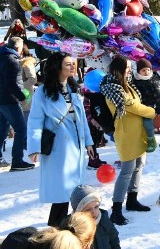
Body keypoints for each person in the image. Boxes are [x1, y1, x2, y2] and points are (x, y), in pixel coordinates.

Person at [26, 52, 95, 226]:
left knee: (73, 193)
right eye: (68, 64)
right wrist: (34, 147)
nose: (73, 66)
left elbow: (81, 120)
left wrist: (88, 142)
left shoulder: (73, 88)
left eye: (73, 63)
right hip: (59, 148)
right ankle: (55, 231)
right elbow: (35, 121)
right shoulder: (43, 92)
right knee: (62, 195)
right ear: (57, 68)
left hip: (76, 146)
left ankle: (68, 230)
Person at [99, 56, 155, 225]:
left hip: (138, 133)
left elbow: (136, 105)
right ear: (118, 69)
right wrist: (151, 112)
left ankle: (132, 199)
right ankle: (116, 209)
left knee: (139, 166)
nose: (130, 70)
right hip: (126, 134)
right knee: (127, 170)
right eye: (127, 68)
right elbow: (133, 107)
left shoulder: (127, 84)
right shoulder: (112, 88)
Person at [0, 37, 33, 171]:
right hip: (9, 100)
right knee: (21, 129)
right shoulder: (12, 61)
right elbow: (11, 84)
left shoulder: (2, 58)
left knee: (2, 129)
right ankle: (17, 161)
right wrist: (21, 96)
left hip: (1, 100)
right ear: (18, 48)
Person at [69, 184, 120, 249]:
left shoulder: (105, 221)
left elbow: (114, 242)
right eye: (88, 210)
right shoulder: (71, 230)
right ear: (79, 212)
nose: (94, 212)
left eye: (96, 207)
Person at [130, 58, 160, 152]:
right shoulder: (134, 79)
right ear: (138, 71)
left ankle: (151, 139)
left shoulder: (153, 80)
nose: (146, 72)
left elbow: (159, 95)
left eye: (148, 70)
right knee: (136, 123)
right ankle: (139, 141)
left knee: (147, 121)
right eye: (143, 70)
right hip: (137, 105)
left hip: (149, 106)